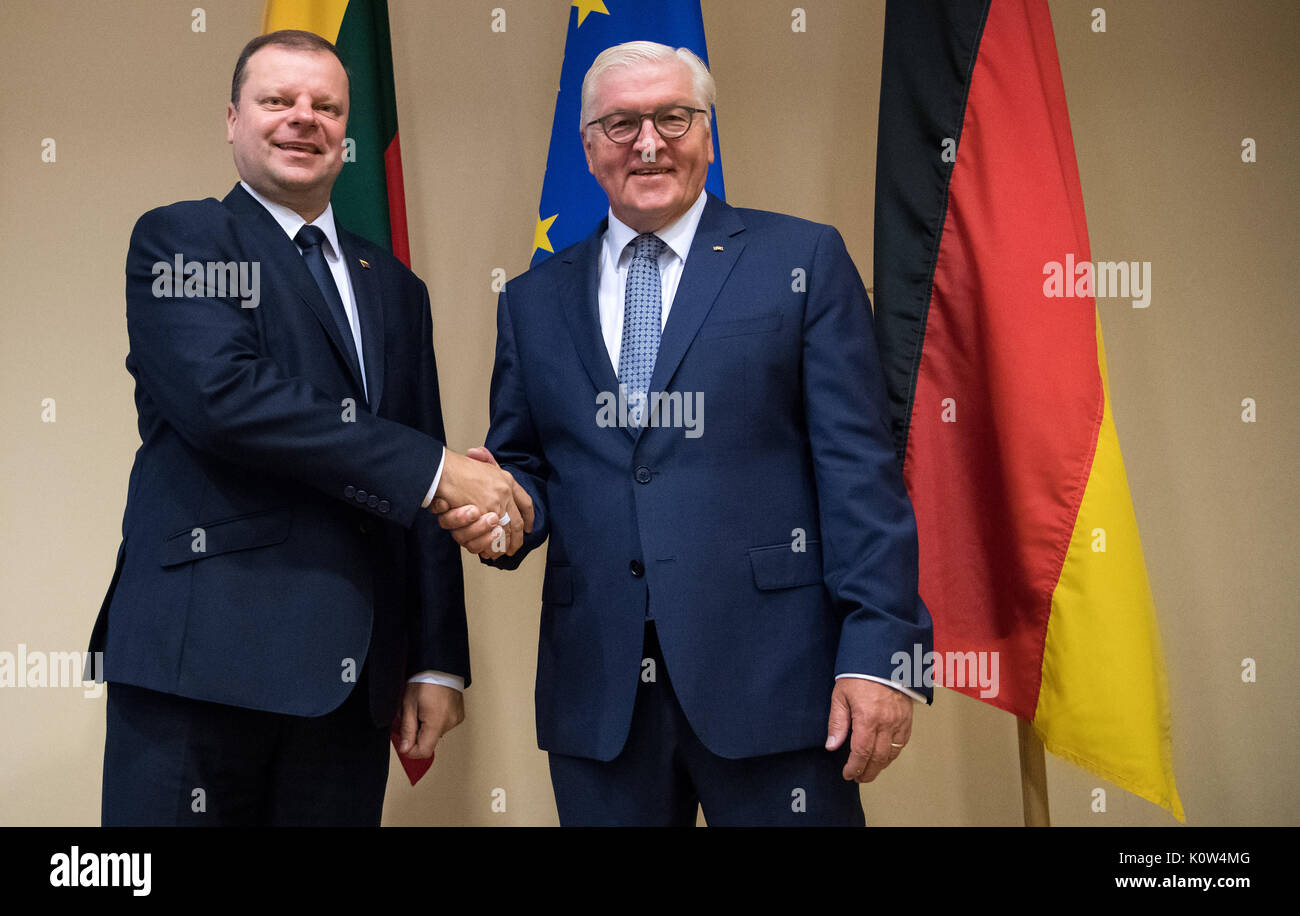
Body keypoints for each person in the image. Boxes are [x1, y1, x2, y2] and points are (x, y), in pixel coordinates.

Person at [435, 41, 933, 826]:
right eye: (622, 123)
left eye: (673, 117)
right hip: (599, 694)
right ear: (589, 145)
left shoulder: (800, 260)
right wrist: (505, 509)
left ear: (708, 132)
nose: (648, 141)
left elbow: (860, 471)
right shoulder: (532, 299)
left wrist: (882, 655)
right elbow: (529, 463)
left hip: (778, 684)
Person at [90, 30, 531, 826]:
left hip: (350, 681)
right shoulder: (184, 238)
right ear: (232, 120)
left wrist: (437, 660)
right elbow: (226, 399)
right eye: (277, 101)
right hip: (202, 669)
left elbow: (417, 465)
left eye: (326, 106)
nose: (304, 119)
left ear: (347, 132)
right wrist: (439, 471)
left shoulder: (395, 284)